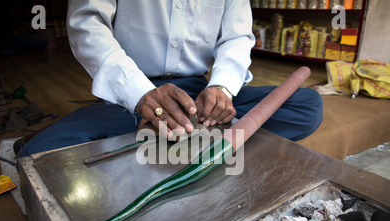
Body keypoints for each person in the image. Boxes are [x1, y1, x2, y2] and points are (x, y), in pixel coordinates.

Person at [18, 0, 323, 158]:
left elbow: (237, 37)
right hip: (134, 92)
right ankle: (188, 133)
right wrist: (140, 96)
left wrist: (222, 88)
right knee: (39, 152)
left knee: (307, 106)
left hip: (199, 91)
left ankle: (182, 130)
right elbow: (87, 24)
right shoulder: (137, 93)